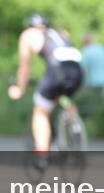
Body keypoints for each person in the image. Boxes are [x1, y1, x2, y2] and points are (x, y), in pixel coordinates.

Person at [8, 14, 85, 169]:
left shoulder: (28, 34)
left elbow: (24, 67)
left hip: (57, 72)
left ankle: (42, 155)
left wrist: (19, 88)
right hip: (77, 70)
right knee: (66, 98)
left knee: (41, 112)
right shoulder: (59, 33)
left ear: (29, 25)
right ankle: (75, 129)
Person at [80, 32, 104, 99]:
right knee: (103, 103)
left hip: (91, 83)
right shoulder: (102, 49)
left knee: (93, 104)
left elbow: (83, 70)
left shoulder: (85, 51)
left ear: (84, 42)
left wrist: (83, 85)